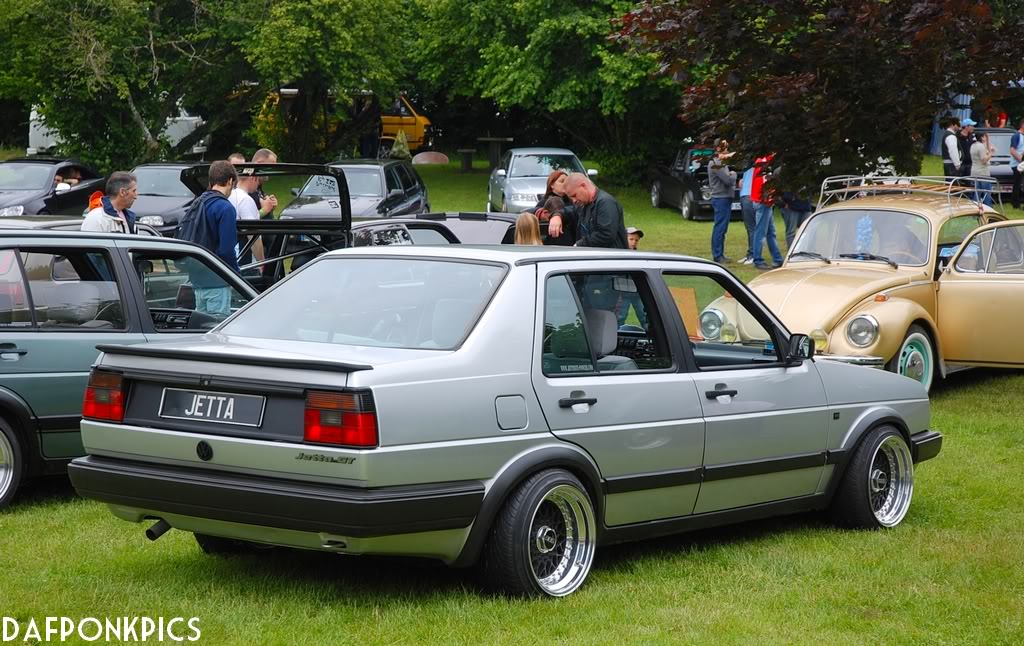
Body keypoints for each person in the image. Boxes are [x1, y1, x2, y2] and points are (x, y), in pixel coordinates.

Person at [176, 161, 240, 314]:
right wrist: (235, 276)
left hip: (197, 280)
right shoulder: (225, 208)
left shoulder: (198, 203)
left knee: (202, 329)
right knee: (217, 330)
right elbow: (226, 250)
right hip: (217, 282)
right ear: (230, 181)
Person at [555, 173, 628, 249]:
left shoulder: (605, 203)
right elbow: (570, 211)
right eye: (571, 198)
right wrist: (557, 215)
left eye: (574, 195)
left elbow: (606, 234)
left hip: (611, 258)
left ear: (583, 186)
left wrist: (579, 245)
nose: (574, 201)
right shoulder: (584, 204)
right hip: (595, 257)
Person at [228, 154, 267, 267]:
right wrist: (262, 263)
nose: (258, 184)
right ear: (253, 178)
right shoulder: (246, 200)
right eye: (258, 179)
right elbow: (253, 236)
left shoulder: (229, 195)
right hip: (243, 260)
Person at [749, 154, 783, 271]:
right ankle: (758, 259)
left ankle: (777, 258)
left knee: (769, 232)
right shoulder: (764, 163)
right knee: (762, 232)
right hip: (763, 202)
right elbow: (764, 184)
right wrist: (769, 199)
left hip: (762, 202)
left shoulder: (761, 161)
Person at [708, 141, 737, 263]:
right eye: (725, 146)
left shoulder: (721, 163)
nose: (727, 149)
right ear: (719, 148)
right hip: (721, 198)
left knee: (722, 228)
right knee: (720, 227)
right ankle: (718, 255)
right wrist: (734, 174)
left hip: (724, 198)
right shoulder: (715, 164)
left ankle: (720, 254)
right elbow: (728, 180)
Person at [533, 170, 574, 246]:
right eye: (562, 181)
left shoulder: (572, 201)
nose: (565, 184)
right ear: (552, 185)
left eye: (567, 182)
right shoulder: (544, 203)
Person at [970, 131, 995, 206]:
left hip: (975, 171)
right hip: (983, 172)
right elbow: (984, 160)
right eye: (984, 136)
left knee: (977, 191)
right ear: (981, 137)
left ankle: (976, 206)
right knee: (986, 191)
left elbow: (986, 148)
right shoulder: (981, 146)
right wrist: (991, 153)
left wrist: (988, 139)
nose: (985, 138)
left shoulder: (973, 145)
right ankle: (988, 206)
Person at [738, 165, 756, 264]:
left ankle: (753, 254)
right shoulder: (748, 168)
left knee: (752, 228)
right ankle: (750, 253)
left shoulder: (756, 166)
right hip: (745, 195)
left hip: (749, 196)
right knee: (749, 227)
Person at [1011, 119, 1024, 209]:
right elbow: (1012, 150)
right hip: (1017, 164)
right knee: (1017, 183)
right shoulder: (1016, 136)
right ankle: (1015, 203)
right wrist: (1021, 160)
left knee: (1018, 183)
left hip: (1021, 164)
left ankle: (1016, 202)